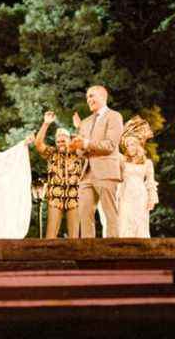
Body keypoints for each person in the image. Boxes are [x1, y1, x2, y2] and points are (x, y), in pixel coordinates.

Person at [69, 85, 124, 238]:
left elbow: (110, 145)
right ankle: (88, 251)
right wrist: (76, 147)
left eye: (92, 96)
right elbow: (81, 151)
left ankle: (114, 250)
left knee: (110, 214)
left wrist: (85, 143)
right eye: (87, 97)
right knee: (84, 215)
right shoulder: (85, 122)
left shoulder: (114, 116)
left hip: (106, 171)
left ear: (103, 96)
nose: (89, 100)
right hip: (86, 173)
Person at [35, 111, 83, 239]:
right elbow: (38, 144)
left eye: (63, 140)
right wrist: (45, 124)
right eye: (58, 141)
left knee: (74, 235)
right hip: (55, 197)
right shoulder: (52, 153)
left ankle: (75, 258)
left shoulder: (77, 152)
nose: (61, 142)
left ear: (69, 139)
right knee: (51, 234)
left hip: (75, 197)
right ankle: (49, 258)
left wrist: (80, 127)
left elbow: (84, 142)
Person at [116, 117, 158, 238]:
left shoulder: (147, 163)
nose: (130, 147)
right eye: (127, 145)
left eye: (132, 144)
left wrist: (151, 198)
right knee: (125, 219)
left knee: (140, 220)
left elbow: (150, 182)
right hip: (125, 193)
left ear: (138, 145)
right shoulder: (122, 161)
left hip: (140, 194)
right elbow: (112, 150)